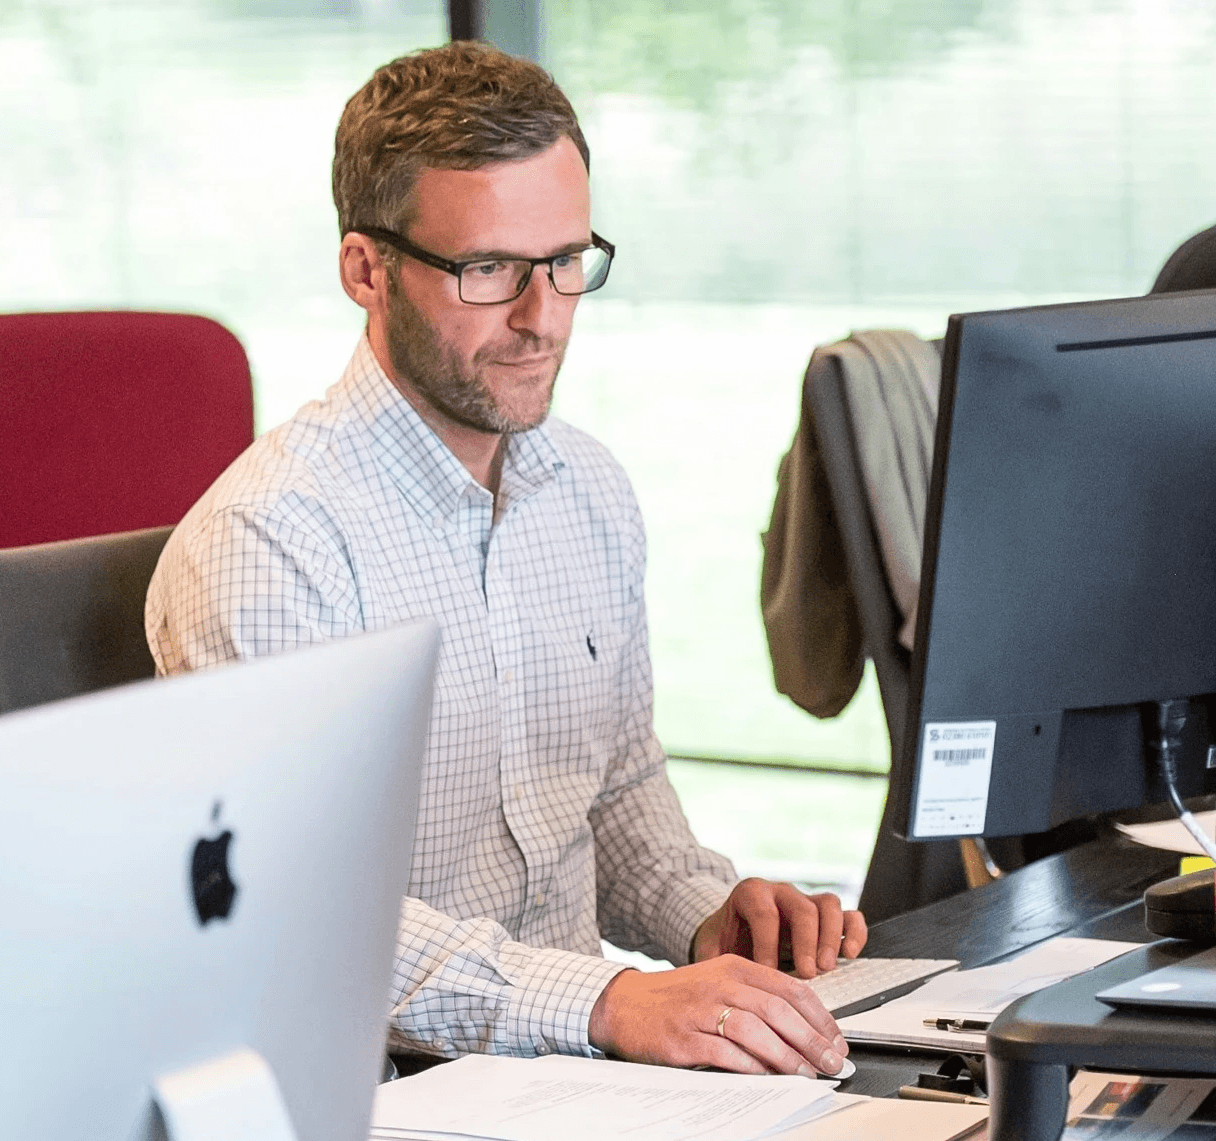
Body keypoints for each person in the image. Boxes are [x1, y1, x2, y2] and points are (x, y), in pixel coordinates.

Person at [145, 40, 866, 1078]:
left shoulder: (587, 490)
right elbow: (300, 916)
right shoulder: (272, 542)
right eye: (486, 270)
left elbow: (613, 791)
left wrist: (709, 918)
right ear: (365, 269)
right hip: (392, 1093)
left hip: (574, 1073)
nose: (541, 317)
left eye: (566, 261)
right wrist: (612, 999)